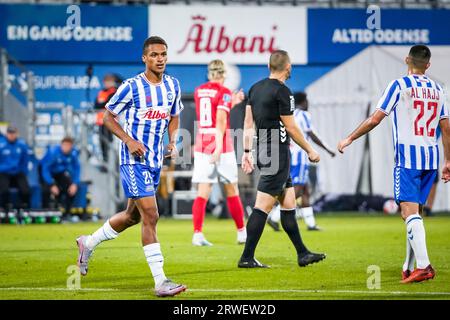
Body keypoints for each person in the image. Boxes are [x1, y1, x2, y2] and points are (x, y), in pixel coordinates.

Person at [75, 36, 187, 297]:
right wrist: (128, 139)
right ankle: (160, 281)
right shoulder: (132, 86)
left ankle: (88, 243)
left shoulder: (172, 85)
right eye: (155, 55)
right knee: (151, 215)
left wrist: (172, 141)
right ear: (144, 58)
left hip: (154, 160)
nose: (160, 59)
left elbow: (174, 115)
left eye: (163, 54)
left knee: (133, 217)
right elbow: (107, 117)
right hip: (132, 159)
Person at [338, 45, 450, 283]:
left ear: (406, 59)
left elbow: (375, 119)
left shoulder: (399, 85)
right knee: (414, 214)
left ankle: (424, 266)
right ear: (428, 65)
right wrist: (448, 160)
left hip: (408, 159)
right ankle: (408, 266)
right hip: (431, 157)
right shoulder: (439, 89)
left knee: (408, 213)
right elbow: (446, 128)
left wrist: (349, 138)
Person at [238, 50, 327, 268]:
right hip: (277, 151)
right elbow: (292, 127)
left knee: (288, 205)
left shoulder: (255, 88)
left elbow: (248, 125)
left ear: (270, 66)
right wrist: (310, 150)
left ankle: (302, 253)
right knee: (262, 207)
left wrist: (247, 152)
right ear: (288, 67)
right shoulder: (284, 92)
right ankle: (246, 257)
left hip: (263, 148)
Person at [191, 59, 246, 246]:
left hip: (202, 143)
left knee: (203, 191)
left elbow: (211, 113)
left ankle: (197, 234)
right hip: (220, 145)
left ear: (209, 74)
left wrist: (233, 103)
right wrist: (219, 147)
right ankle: (241, 233)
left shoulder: (199, 91)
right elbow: (220, 121)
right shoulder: (224, 92)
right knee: (231, 188)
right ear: (224, 75)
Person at [267, 92, 336, 231]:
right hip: (300, 157)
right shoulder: (304, 115)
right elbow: (311, 134)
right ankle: (274, 216)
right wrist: (328, 150)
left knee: (305, 190)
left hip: (290, 155)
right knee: (296, 189)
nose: (308, 104)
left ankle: (310, 223)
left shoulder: (289, 114)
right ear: (303, 102)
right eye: (307, 101)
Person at [40, 136, 81, 218]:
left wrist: (75, 184)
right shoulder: (53, 152)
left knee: (71, 188)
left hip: (60, 173)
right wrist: (51, 184)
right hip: (47, 173)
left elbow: (77, 169)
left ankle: (67, 214)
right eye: (65, 145)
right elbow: (45, 169)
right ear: (61, 145)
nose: (66, 148)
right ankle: (45, 214)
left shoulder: (73, 154)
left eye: (69, 146)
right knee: (46, 190)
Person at [0, 125, 30, 212]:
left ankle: (24, 209)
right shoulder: (1, 144)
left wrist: (23, 171)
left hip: (18, 172)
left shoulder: (22, 145)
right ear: (6, 134)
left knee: (26, 190)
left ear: (17, 134)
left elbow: (25, 160)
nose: (11, 135)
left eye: (13, 133)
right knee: (4, 190)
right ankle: (4, 208)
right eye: (9, 133)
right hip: (3, 172)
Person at [94, 74, 119, 167]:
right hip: (101, 122)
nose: (107, 84)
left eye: (109, 82)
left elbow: (108, 104)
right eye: (106, 82)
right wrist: (102, 104)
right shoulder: (101, 92)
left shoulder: (114, 92)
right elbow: (96, 105)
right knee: (102, 143)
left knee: (110, 143)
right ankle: (105, 162)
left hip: (111, 122)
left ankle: (112, 163)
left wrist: (102, 104)